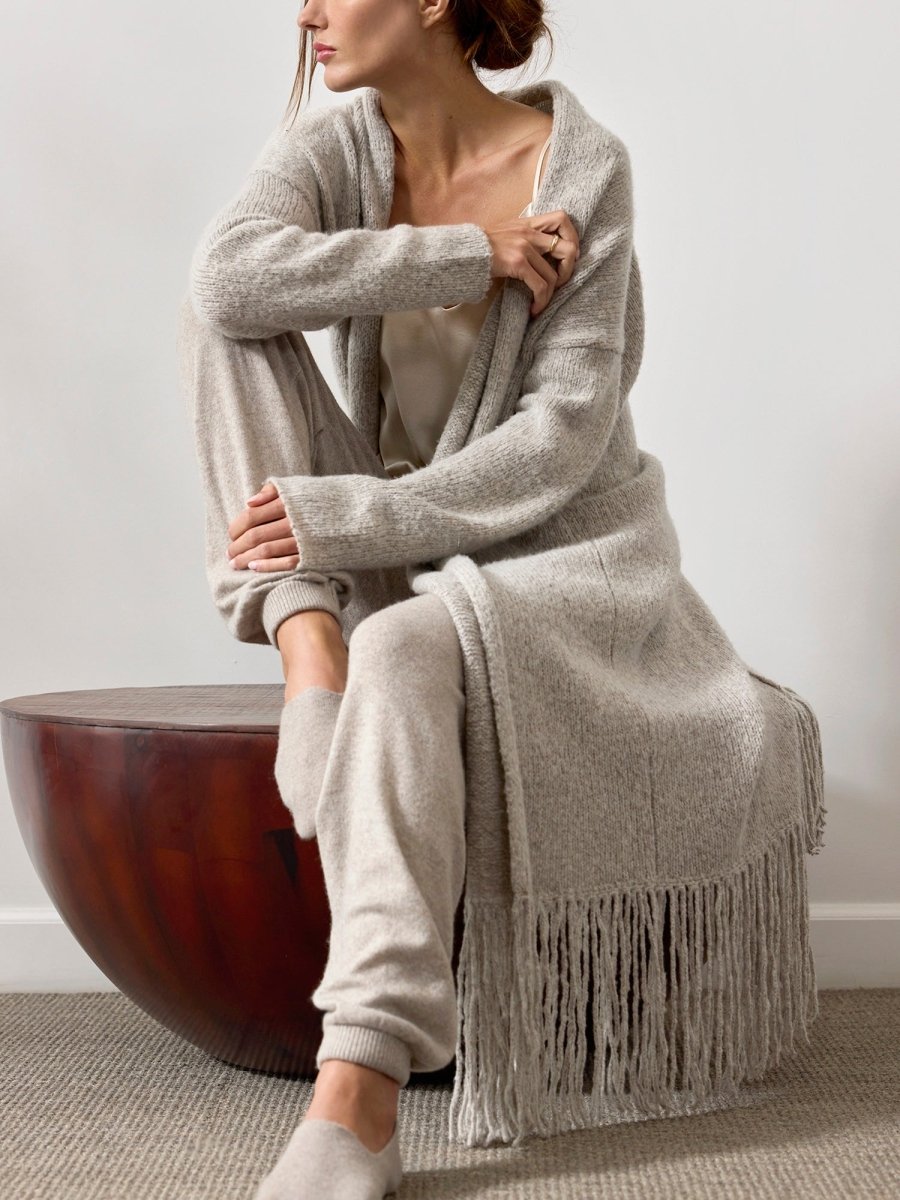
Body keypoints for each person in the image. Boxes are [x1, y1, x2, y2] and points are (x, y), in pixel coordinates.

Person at [178, 2, 826, 1198]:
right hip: (397, 534)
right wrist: (466, 254)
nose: (307, 12)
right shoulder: (336, 146)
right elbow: (227, 278)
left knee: (405, 648)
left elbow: (558, 445)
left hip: (560, 554)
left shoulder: (582, 170)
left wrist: (348, 519)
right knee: (222, 319)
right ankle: (309, 654)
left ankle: (358, 1092)